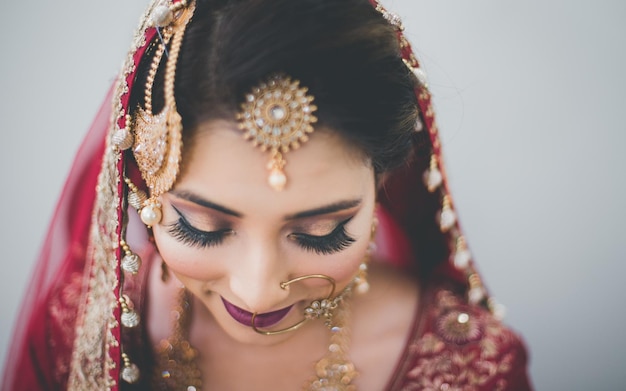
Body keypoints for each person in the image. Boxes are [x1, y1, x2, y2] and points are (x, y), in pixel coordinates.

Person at [2, 0, 533, 390]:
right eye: (200, 227)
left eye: (321, 233)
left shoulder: (470, 368)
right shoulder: (78, 334)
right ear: (142, 185)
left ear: (384, 185)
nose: (258, 293)